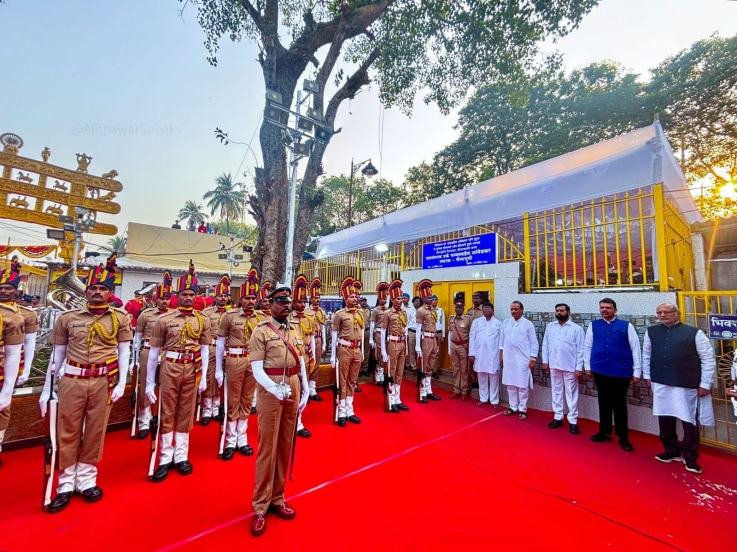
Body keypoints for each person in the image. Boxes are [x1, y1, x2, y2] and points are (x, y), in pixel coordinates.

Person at [41, 259, 133, 512]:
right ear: (85, 291)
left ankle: (87, 479)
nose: (96, 292)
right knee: (67, 430)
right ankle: (66, 483)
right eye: (92, 287)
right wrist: (48, 387)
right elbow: (57, 354)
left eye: (102, 288)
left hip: (104, 379)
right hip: (72, 379)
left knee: (95, 430)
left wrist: (122, 382)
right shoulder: (67, 318)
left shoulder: (119, 318)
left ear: (109, 292)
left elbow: (124, 352)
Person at [249, 286, 309, 537]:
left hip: (292, 385)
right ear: (270, 304)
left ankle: (278, 497)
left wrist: (305, 388)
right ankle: (260, 506)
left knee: (286, 445)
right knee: (268, 449)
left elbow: (301, 359)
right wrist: (274, 389)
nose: (286, 305)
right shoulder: (261, 331)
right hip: (271, 389)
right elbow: (256, 368)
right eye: (281, 301)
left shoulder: (295, 327)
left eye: (288, 301)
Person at [146, 261, 211, 482]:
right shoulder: (164, 320)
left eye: (191, 294)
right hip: (170, 366)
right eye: (184, 294)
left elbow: (204, 348)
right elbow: (154, 353)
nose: (188, 298)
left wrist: (204, 377)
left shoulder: (203, 320)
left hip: (193, 368)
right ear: (177, 296)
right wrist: (148, 382)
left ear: (196, 296)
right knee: (167, 411)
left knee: (186, 412)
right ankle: (165, 458)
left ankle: (181, 456)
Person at [642, 303, 715, 474]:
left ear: (677, 313)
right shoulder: (651, 331)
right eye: (659, 312)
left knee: (688, 420)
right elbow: (646, 354)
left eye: (667, 312)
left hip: (685, 384)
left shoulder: (694, 333)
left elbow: (708, 359)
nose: (662, 315)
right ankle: (671, 450)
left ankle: (690, 457)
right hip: (660, 381)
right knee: (664, 417)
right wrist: (647, 376)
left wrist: (705, 383)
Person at [584, 297, 641, 452]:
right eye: (602, 307)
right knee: (603, 402)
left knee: (619, 404)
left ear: (615, 310)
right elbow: (588, 346)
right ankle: (604, 431)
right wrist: (587, 366)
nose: (604, 310)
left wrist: (637, 371)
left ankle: (623, 437)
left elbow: (635, 349)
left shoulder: (626, 326)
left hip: (621, 371)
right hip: (600, 369)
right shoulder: (594, 325)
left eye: (608, 307)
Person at [216, 269, 262, 460]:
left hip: (253, 361)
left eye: (253, 298)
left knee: (246, 399)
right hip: (234, 360)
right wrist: (218, 368)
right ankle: (229, 441)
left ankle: (242, 439)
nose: (250, 301)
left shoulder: (261, 318)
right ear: (240, 299)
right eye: (247, 298)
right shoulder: (230, 316)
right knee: (232, 399)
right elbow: (220, 342)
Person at [131, 271, 173, 439]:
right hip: (148, 351)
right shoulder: (145, 315)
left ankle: (163, 418)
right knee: (145, 388)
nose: (164, 301)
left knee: (166, 386)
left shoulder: (174, 315)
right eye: (161, 298)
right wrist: (133, 359)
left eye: (167, 298)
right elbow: (137, 338)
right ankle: (144, 421)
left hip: (168, 353)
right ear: (156, 299)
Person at [541, 303, 585, 434]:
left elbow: (581, 350)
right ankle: (558, 417)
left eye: (562, 310)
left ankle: (573, 420)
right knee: (556, 391)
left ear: (568, 313)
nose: (559, 313)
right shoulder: (550, 327)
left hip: (570, 366)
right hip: (554, 365)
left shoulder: (576, 329)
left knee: (571, 394)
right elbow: (545, 345)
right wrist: (545, 361)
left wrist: (579, 368)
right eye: (557, 311)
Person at [0, 268, 27, 468]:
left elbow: (13, 353)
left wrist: (8, 388)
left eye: (8, 287)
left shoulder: (14, 316)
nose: (3, 291)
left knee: (1, 409)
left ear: (16, 291)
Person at [330, 277, 365, 426]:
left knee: (352, 381)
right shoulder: (340, 314)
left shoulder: (360, 313)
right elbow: (334, 335)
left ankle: (350, 410)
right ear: (345, 298)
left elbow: (362, 333)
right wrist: (333, 355)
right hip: (344, 349)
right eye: (352, 296)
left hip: (356, 349)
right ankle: (342, 411)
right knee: (342, 381)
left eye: (356, 296)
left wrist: (362, 351)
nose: (355, 298)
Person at [500, 301, 538, 420]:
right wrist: (501, 355)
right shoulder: (506, 323)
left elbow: (534, 342)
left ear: (522, 310)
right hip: (509, 358)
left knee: (522, 385)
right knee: (510, 384)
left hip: (523, 359)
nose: (513, 311)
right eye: (512, 309)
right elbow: (501, 341)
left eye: (516, 309)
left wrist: (532, 357)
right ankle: (513, 407)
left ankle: (523, 408)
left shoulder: (528, 324)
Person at [289, 275, 317, 438]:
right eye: (299, 301)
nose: (302, 304)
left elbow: (311, 339)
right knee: (293, 389)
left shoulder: (309, 318)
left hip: (305, 356)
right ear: (293, 303)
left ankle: (298, 421)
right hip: (292, 356)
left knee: (302, 389)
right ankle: (290, 420)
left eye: (304, 301)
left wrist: (312, 356)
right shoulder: (287, 318)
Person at [201, 275, 231, 425]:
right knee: (209, 377)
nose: (223, 298)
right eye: (220, 295)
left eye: (225, 295)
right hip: (211, 348)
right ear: (215, 296)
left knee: (223, 379)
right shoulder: (207, 313)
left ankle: (218, 407)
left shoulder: (232, 313)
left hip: (228, 349)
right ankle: (207, 409)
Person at [380, 279, 409, 413]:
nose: (401, 300)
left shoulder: (404, 312)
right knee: (391, 371)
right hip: (392, 343)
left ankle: (398, 399)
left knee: (400, 372)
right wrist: (384, 351)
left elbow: (406, 330)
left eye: (402, 298)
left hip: (402, 343)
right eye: (398, 298)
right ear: (392, 299)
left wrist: (407, 347)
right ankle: (390, 399)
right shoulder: (387, 313)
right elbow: (383, 331)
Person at [469, 301, 502, 407]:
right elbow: (472, 337)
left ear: (493, 310)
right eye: (485, 308)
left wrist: (501, 355)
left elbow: (501, 341)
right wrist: (471, 353)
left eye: (489, 308)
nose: (486, 310)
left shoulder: (498, 323)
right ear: (482, 310)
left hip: (493, 355)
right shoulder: (476, 322)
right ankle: (483, 398)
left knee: (494, 378)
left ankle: (494, 400)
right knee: (481, 377)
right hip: (479, 354)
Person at [415, 279, 441, 403]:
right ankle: (422, 392)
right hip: (425, 339)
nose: (431, 299)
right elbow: (418, 329)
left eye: (431, 296)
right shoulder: (421, 311)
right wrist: (417, 346)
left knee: (431, 365)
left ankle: (429, 390)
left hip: (433, 338)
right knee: (424, 365)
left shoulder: (433, 310)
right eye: (428, 296)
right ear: (423, 297)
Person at [447, 301, 472, 401]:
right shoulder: (451, 318)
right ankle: (456, 389)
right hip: (453, 345)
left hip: (463, 346)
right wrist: (449, 347)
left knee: (464, 369)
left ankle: (464, 390)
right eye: (457, 307)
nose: (458, 309)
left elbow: (471, 335)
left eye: (460, 307)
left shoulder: (468, 319)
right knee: (456, 368)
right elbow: (450, 333)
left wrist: (471, 349)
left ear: (463, 308)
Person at [308, 278, 327, 401]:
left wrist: (324, 343)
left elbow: (324, 328)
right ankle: (305, 390)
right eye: (315, 298)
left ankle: (312, 389)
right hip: (310, 340)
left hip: (319, 340)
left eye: (319, 297)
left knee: (317, 365)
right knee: (308, 365)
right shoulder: (306, 312)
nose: (318, 300)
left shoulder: (322, 312)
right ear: (311, 299)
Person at [370, 282, 390, 385]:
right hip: (378, 333)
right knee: (379, 353)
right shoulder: (375, 310)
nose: (384, 301)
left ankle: (383, 371)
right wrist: (371, 339)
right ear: (379, 299)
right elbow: (372, 324)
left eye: (386, 299)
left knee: (386, 353)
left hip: (387, 334)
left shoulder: (389, 310)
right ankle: (378, 374)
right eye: (382, 299)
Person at [406, 296, 421, 375]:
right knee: (411, 350)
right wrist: (406, 333)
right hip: (411, 332)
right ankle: (413, 366)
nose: (417, 302)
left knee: (419, 350)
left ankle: (419, 366)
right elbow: (407, 322)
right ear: (413, 302)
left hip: (420, 333)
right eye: (416, 301)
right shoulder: (410, 311)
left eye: (419, 301)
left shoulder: (422, 310)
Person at [431, 295, 445, 379]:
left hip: (438, 333)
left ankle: (435, 371)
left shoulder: (440, 310)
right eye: (433, 300)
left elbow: (443, 323)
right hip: (429, 334)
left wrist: (443, 335)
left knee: (436, 353)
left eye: (436, 300)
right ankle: (428, 370)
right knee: (429, 352)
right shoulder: (428, 310)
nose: (434, 301)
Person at [358, 296, 371, 377]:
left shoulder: (368, 310)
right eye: (362, 301)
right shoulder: (357, 310)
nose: (364, 302)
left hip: (367, 331)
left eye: (365, 300)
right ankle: (358, 369)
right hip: (359, 331)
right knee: (359, 351)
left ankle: (365, 369)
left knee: (367, 351)